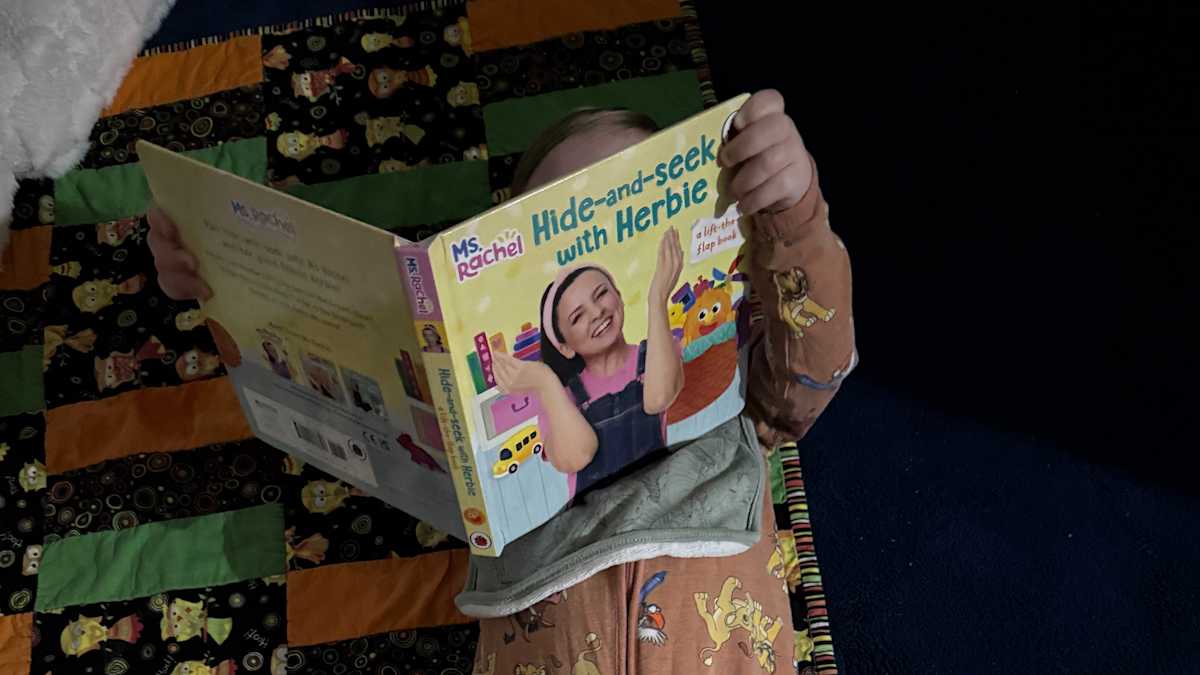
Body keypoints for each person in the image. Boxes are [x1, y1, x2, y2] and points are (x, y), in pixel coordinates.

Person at [147, 90, 855, 674]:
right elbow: (368, 426)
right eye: (570, 290)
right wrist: (223, 275)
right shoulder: (526, 416)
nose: (594, 301)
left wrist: (792, 210)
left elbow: (808, 360)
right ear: (555, 329)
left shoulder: (722, 372)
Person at [491, 242, 684, 492]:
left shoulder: (657, 352)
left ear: (619, 296)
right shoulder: (559, 397)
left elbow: (658, 399)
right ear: (564, 347)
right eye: (577, 317)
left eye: (601, 294)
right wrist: (545, 382)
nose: (596, 313)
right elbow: (577, 456)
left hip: (656, 495)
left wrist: (657, 299)